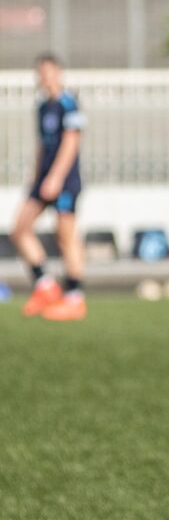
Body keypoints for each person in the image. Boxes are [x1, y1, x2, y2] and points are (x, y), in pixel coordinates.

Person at [12, 53, 87, 321]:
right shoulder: (42, 106)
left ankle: (75, 297)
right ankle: (45, 285)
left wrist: (56, 177)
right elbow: (42, 145)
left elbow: (71, 142)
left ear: (59, 72)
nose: (45, 77)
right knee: (19, 229)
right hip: (43, 179)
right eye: (41, 72)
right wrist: (36, 177)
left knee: (65, 234)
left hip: (64, 180)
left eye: (49, 71)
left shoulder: (69, 103)